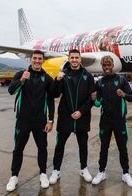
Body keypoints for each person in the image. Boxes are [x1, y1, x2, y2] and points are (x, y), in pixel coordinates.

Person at [6, 50, 54, 191]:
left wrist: (50, 120)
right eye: (35, 58)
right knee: (18, 149)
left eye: (40, 59)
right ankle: (14, 176)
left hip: (40, 121)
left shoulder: (47, 78)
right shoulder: (21, 74)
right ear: (30, 60)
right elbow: (11, 91)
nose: (37, 61)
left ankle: (43, 174)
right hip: (23, 120)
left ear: (43, 61)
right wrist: (22, 80)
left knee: (42, 148)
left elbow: (50, 100)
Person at [49, 49, 95, 184]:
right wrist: (57, 80)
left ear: (80, 59)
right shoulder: (63, 74)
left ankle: (83, 168)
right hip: (65, 116)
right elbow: (55, 94)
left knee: (83, 145)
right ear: (69, 59)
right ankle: (56, 170)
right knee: (60, 145)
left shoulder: (88, 76)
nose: (74, 60)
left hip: (82, 116)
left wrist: (81, 111)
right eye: (72, 58)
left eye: (77, 58)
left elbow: (91, 98)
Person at [91, 55, 132, 187]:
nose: (107, 68)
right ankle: (101, 172)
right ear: (102, 67)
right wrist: (94, 99)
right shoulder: (99, 83)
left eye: (109, 65)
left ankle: (126, 174)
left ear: (112, 66)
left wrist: (124, 95)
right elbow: (98, 104)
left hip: (119, 121)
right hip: (105, 122)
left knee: (123, 148)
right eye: (104, 66)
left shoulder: (121, 80)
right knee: (103, 148)